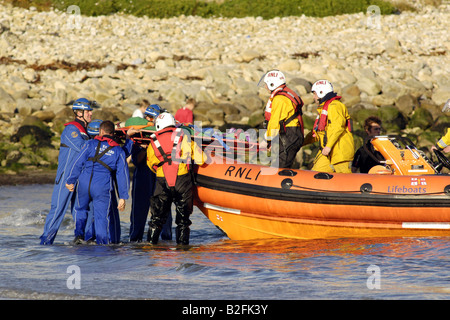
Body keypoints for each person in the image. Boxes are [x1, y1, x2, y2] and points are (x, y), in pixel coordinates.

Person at [146, 112, 207, 245]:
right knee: (183, 221)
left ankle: (150, 250)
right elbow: (201, 159)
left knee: (156, 219)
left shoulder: (153, 141)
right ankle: (182, 251)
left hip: (162, 181)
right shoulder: (183, 137)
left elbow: (151, 163)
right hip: (182, 180)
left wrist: (162, 169)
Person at [65, 121, 130, 245]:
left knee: (80, 210)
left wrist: (70, 180)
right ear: (113, 133)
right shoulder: (118, 151)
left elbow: (78, 163)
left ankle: (78, 237)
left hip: (83, 183)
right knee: (101, 217)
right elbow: (123, 175)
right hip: (102, 186)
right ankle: (102, 245)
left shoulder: (90, 144)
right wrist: (123, 197)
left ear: (100, 131)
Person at [39, 98, 93, 245]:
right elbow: (84, 149)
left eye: (90, 111)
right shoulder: (71, 129)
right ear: (79, 112)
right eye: (88, 111)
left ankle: (81, 241)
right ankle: (46, 242)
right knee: (57, 210)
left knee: (81, 209)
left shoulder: (86, 131)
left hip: (80, 177)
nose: (90, 113)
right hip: (66, 177)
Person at [84, 119, 135, 244]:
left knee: (90, 214)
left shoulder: (88, 145)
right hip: (105, 185)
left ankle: (87, 240)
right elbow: (122, 155)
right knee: (109, 215)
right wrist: (128, 139)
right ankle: (109, 244)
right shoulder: (115, 149)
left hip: (86, 184)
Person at [129, 104, 172, 242]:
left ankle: (166, 241)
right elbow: (136, 160)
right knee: (138, 212)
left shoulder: (168, 136)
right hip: (143, 176)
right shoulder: (139, 137)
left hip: (160, 176)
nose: (148, 119)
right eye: (146, 116)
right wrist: (146, 147)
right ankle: (135, 241)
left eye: (150, 117)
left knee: (164, 211)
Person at [303, 80, 354, 173]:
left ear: (321, 92)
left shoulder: (335, 106)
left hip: (339, 152)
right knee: (315, 174)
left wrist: (329, 146)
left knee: (345, 179)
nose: (314, 97)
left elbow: (338, 127)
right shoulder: (323, 110)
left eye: (314, 94)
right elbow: (318, 133)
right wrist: (301, 142)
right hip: (327, 152)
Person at [257, 69, 304, 168]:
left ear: (272, 84)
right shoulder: (283, 96)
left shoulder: (280, 99)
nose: (265, 87)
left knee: (281, 166)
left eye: (266, 84)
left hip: (290, 135)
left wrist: (266, 140)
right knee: (280, 163)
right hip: (290, 135)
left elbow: (274, 123)